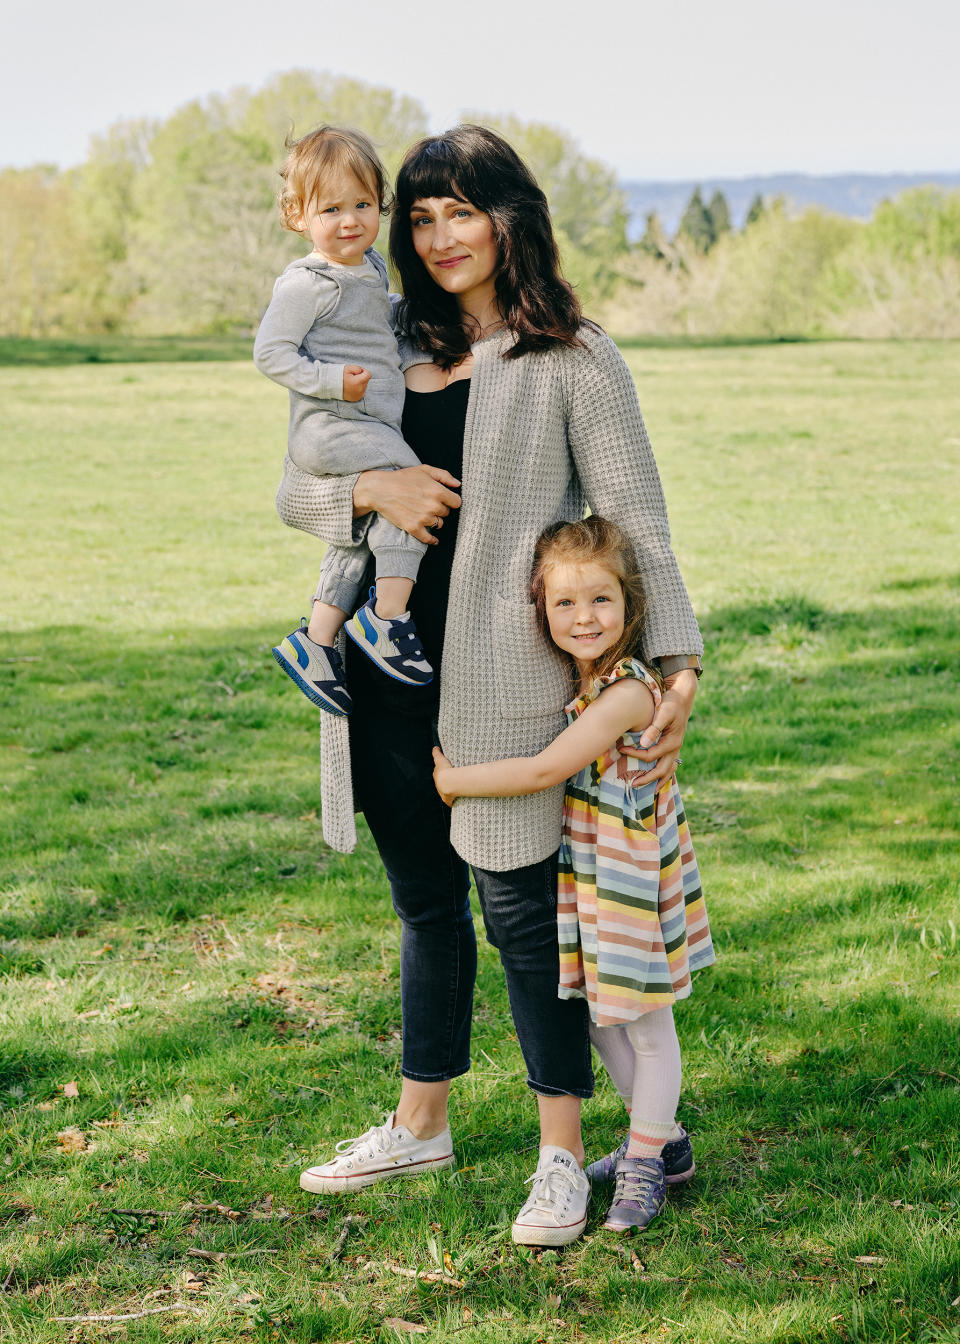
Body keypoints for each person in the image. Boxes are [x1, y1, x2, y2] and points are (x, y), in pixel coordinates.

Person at [281, 125, 705, 1247]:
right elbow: (299, 491)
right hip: (383, 673)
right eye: (418, 219)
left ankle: (561, 1158)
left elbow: (637, 521)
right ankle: (423, 1121)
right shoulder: (376, 338)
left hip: (507, 686)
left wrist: (679, 666)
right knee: (424, 904)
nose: (437, 237)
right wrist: (371, 483)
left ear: (508, 216)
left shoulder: (571, 355)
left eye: (459, 211)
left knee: (523, 921)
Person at [431, 517, 715, 1233]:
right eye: (564, 604)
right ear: (541, 607)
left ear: (630, 606)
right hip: (590, 873)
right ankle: (665, 1140)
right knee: (596, 1014)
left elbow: (546, 769)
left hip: (626, 874)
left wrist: (455, 781)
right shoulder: (583, 678)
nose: (584, 618)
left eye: (601, 601)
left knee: (646, 1023)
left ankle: (645, 1161)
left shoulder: (626, 691)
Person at [253, 125, 434, 716]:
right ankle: (388, 619)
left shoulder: (367, 268)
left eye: (362, 204)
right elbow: (270, 352)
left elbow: (374, 320)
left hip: (359, 426)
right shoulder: (308, 283)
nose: (350, 220)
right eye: (331, 208)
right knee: (411, 489)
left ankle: (318, 637)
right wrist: (332, 381)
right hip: (331, 427)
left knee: (358, 529)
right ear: (297, 213)